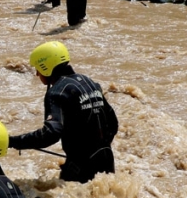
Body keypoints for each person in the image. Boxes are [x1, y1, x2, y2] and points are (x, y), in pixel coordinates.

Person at [9, 41, 118, 183]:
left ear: (46, 67)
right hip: (107, 160)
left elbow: (50, 134)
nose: (37, 74)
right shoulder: (89, 82)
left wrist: (13, 141)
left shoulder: (57, 92)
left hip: (80, 167)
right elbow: (113, 123)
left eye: (38, 69)